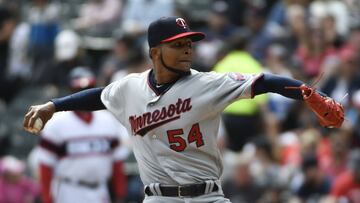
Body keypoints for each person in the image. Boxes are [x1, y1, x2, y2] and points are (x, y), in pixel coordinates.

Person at [23, 16, 344, 203]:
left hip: (206, 196)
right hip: (158, 198)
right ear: (154, 52)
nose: (187, 49)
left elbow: (266, 81)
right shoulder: (129, 87)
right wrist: (54, 106)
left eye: (189, 43)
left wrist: (307, 95)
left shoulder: (208, 84)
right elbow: (98, 96)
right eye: (177, 44)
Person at [35, 67, 129, 203]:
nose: (83, 96)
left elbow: (118, 162)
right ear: (71, 92)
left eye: (88, 89)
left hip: (100, 191)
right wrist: (47, 199)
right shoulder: (56, 123)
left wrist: (120, 194)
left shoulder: (108, 120)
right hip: (68, 190)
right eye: (78, 91)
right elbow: (45, 166)